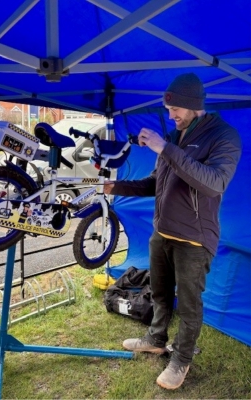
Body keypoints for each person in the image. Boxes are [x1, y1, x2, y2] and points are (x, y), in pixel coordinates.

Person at [104, 73, 241, 390]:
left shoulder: (224, 137)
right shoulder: (176, 135)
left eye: (176, 109)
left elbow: (213, 183)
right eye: (168, 111)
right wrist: (116, 185)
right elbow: (156, 182)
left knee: (191, 304)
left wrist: (165, 148)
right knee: (161, 293)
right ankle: (155, 337)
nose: (171, 116)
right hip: (162, 233)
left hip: (195, 238)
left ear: (194, 106)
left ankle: (181, 359)